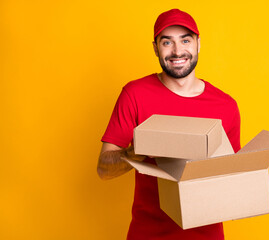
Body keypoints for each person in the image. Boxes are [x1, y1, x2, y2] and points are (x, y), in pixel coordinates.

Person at [97, 8, 241, 240]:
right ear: (155, 48)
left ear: (198, 44)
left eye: (185, 40)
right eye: (167, 42)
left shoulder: (225, 106)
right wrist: (139, 151)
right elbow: (104, 168)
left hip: (206, 235)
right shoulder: (135, 94)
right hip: (148, 234)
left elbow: (233, 178)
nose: (177, 51)